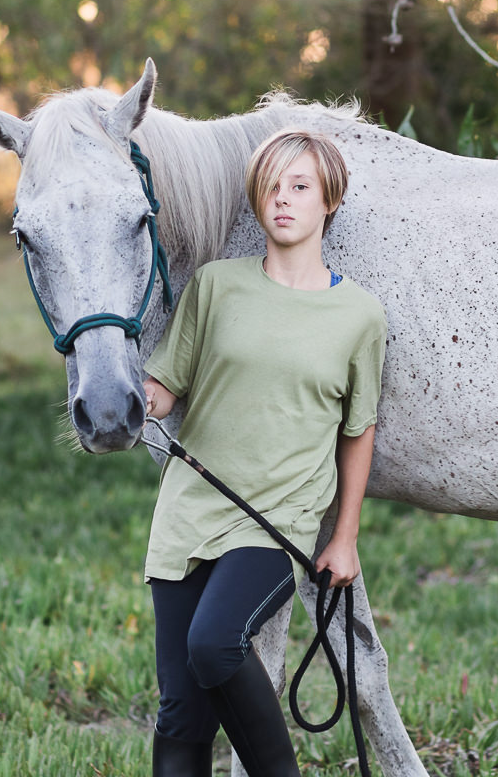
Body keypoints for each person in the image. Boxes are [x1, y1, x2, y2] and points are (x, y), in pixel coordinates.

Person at [143, 128, 387, 777]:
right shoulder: (215, 287)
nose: (283, 200)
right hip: (187, 514)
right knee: (181, 713)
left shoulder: (359, 315)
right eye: (271, 188)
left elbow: (358, 431)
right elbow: (165, 389)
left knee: (215, 643)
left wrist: (347, 538)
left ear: (329, 199)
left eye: (300, 187)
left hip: (274, 522)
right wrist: (131, 396)